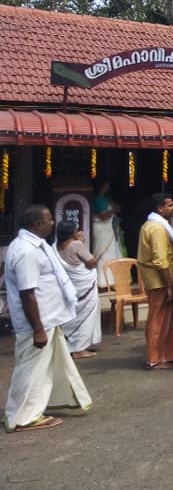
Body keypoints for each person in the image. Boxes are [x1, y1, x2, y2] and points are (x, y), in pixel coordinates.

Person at [3, 205, 92, 432]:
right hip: (38, 324)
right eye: (48, 220)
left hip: (48, 320)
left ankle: (33, 409)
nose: (53, 223)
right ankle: (23, 417)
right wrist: (38, 329)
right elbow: (27, 294)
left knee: (43, 370)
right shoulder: (26, 252)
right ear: (36, 224)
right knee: (31, 371)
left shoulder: (36, 245)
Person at [137, 193, 173, 370]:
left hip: (161, 280)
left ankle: (167, 354)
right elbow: (160, 259)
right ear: (159, 208)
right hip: (161, 282)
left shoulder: (154, 225)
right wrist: (169, 286)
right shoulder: (157, 229)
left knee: (168, 319)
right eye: (169, 205)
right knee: (158, 319)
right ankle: (154, 358)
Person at [55, 221, 101, 359]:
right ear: (73, 233)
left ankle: (72, 345)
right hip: (84, 286)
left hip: (71, 287)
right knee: (86, 315)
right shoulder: (76, 245)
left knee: (75, 315)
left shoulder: (56, 247)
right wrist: (82, 242)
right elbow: (92, 262)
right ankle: (79, 349)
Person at [91, 179, 123, 289]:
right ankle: (103, 282)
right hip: (101, 229)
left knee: (111, 254)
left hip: (107, 229)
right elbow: (103, 215)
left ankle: (111, 281)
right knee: (103, 255)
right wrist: (114, 210)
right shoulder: (98, 199)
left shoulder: (105, 198)